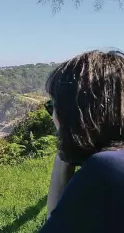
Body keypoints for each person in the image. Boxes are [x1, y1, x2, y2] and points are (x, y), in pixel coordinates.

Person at [39, 50, 124, 233]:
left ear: (74, 114)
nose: (52, 116)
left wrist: (63, 154)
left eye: (52, 107)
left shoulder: (105, 168)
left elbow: (55, 223)